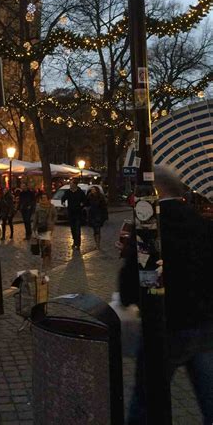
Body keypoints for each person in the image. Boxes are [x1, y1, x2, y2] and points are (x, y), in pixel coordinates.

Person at [120, 166, 213, 424]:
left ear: (154, 191)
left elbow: (135, 277)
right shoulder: (198, 220)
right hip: (203, 322)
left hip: (166, 324)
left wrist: (129, 297)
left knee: (145, 400)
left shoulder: (152, 225)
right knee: (209, 397)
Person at [32, 192, 56, 271]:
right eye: (42, 198)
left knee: (46, 243)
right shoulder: (38, 206)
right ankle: (45, 257)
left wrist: (52, 222)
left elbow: (55, 216)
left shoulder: (51, 207)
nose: (44, 199)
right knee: (42, 244)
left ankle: (46, 260)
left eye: (45, 198)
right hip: (40, 227)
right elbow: (36, 217)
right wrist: (34, 227)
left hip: (48, 227)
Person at [61, 179, 86, 250]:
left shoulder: (80, 192)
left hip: (78, 213)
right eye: (70, 184)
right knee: (72, 229)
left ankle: (78, 244)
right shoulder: (68, 192)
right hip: (71, 212)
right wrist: (63, 201)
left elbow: (84, 200)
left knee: (77, 228)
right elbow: (63, 197)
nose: (70, 185)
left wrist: (82, 204)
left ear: (75, 184)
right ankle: (75, 241)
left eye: (71, 184)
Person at [86, 186, 108, 250]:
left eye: (93, 190)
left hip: (98, 214)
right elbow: (87, 204)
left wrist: (104, 216)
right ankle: (96, 243)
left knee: (97, 230)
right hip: (92, 214)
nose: (92, 191)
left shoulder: (100, 197)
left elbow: (104, 207)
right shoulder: (90, 196)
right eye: (91, 190)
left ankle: (98, 244)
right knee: (95, 230)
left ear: (96, 190)